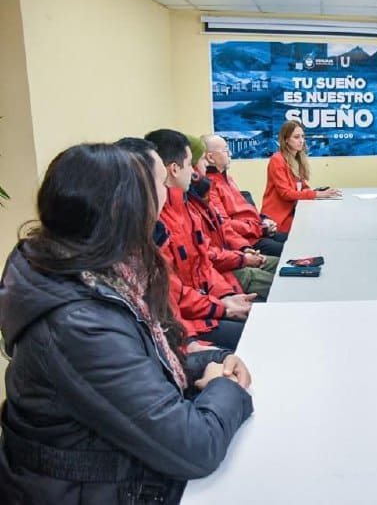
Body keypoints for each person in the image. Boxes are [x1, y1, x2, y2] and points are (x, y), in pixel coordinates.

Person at [0, 143, 253, 504]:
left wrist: (208, 361)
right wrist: (225, 389)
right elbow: (196, 447)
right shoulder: (79, 321)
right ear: (124, 211)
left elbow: (136, 366)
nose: (161, 198)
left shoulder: (91, 280)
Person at [145, 129, 256, 351]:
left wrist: (226, 296)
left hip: (207, 307)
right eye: (193, 163)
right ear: (175, 169)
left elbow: (203, 264)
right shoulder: (157, 227)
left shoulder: (187, 207)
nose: (199, 170)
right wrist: (193, 341)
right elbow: (171, 297)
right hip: (193, 324)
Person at [201, 134, 287, 257]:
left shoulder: (227, 179)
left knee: (298, 241)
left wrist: (263, 219)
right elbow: (225, 224)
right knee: (293, 250)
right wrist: (260, 229)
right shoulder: (210, 186)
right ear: (210, 157)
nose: (230, 153)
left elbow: (246, 208)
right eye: (225, 150)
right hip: (249, 241)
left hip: (257, 232)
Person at [260, 120, 342, 233]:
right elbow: (286, 194)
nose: (301, 141)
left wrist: (311, 191)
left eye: (302, 136)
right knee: (312, 229)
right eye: (296, 137)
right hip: (278, 218)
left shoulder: (297, 159)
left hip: (293, 212)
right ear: (286, 140)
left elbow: (302, 185)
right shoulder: (277, 160)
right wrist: (317, 194)